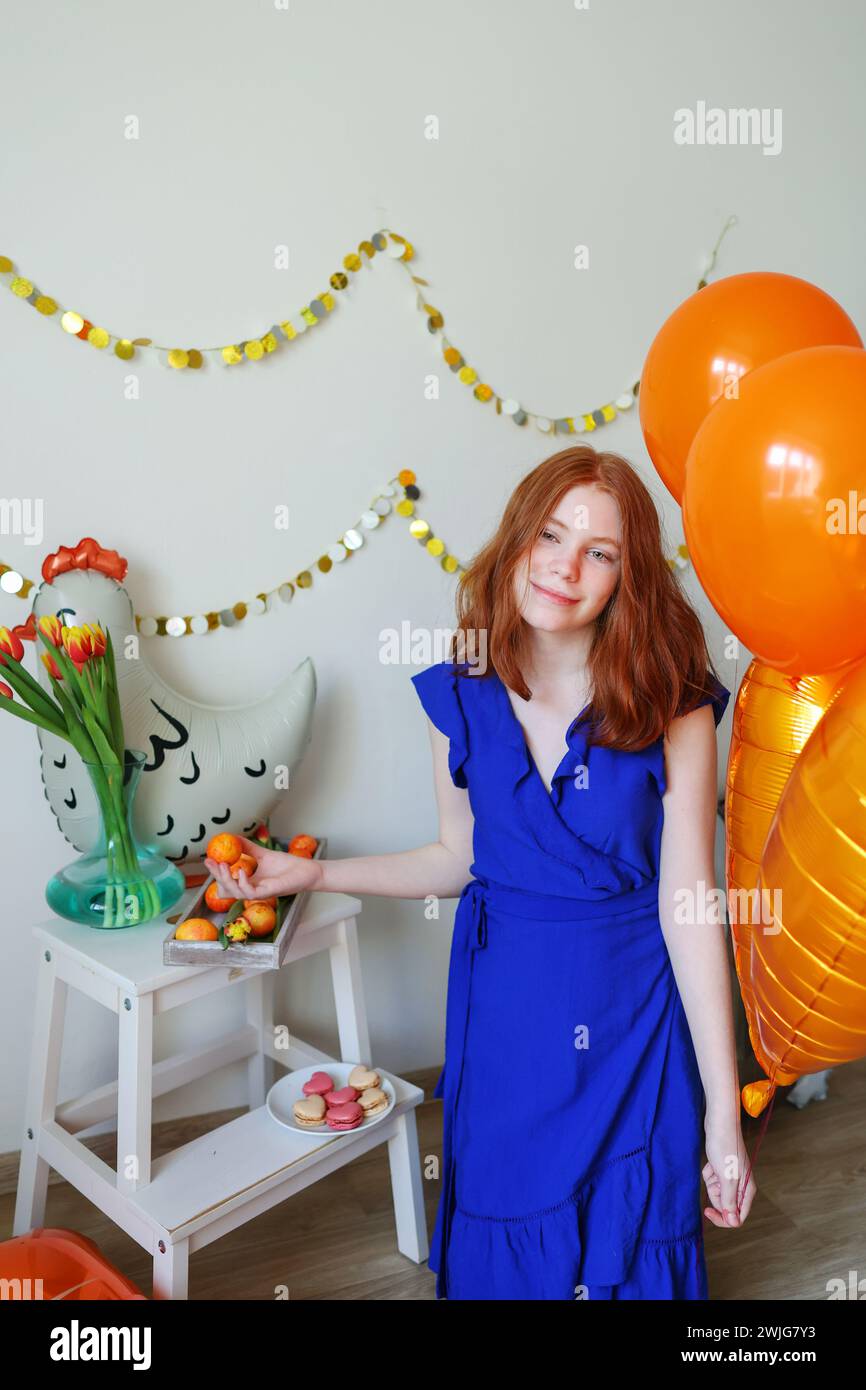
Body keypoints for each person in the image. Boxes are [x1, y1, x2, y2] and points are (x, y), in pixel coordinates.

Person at [205, 443, 756, 1301]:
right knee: (509, 1230)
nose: (565, 567)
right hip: (508, 1014)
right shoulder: (460, 690)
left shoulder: (673, 699)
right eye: (550, 535)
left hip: (635, 1014)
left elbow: (690, 904)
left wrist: (725, 1111)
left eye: (600, 552)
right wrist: (310, 877)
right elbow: (457, 859)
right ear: (518, 541)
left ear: (628, 576)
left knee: (633, 1225)